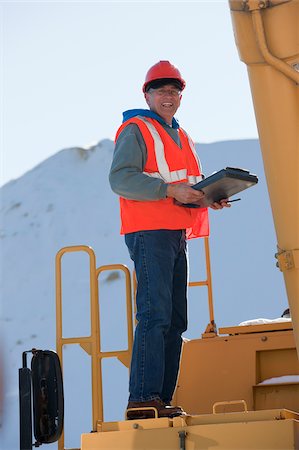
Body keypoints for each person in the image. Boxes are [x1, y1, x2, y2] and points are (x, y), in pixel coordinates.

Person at [109, 61, 230, 420]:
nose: (168, 96)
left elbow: (188, 184)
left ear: (180, 97)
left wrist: (211, 195)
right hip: (149, 232)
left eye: (174, 91)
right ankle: (143, 399)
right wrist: (168, 189)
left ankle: (159, 399)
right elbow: (121, 179)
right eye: (160, 90)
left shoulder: (183, 136)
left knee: (176, 320)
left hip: (177, 233)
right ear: (146, 95)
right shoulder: (136, 129)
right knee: (155, 314)